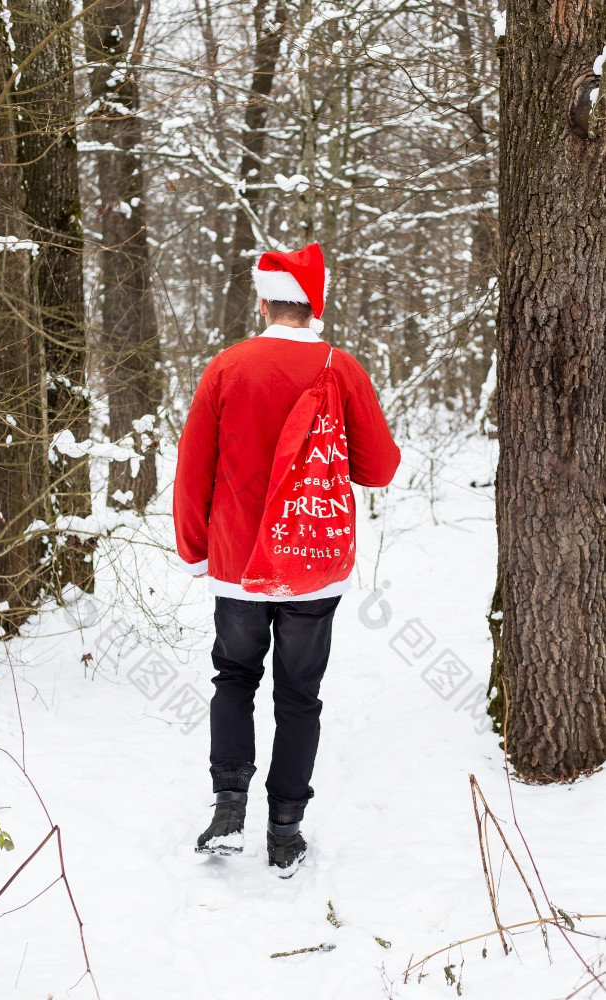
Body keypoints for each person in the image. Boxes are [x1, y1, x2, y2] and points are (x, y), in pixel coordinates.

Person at [173, 242, 400, 876]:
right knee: (299, 695)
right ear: (314, 303)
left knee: (234, 678)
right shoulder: (341, 368)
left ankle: (226, 808)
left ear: (265, 298)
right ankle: (284, 832)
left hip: (240, 562)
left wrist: (196, 549)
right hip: (311, 559)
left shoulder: (228, 366)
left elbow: (194, 470)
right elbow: (378, 468)